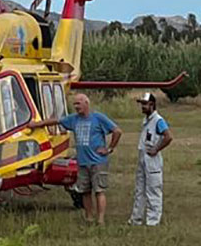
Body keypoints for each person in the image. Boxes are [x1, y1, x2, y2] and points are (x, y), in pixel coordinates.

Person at [27, 93, 122, 225]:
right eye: (75, 104)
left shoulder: (98, 118)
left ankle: (100, 220)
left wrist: (109, 149)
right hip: (82, 162)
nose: (76, 107)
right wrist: (36, 124)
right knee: (84, 191)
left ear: (86, 103)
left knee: (99, 190)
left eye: (78, 104)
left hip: (98, 162)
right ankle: (89, 217)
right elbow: (56, 121)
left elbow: (117, 131)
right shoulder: (73, 119)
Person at [130, 92, 173, 226]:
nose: (142, 107)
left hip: (152, 159)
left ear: (152, 105)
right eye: (141, 104)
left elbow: (168, 136)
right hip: (143, 156)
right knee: (140, 189)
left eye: (145, 104)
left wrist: (156, 149)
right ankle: (136, 219)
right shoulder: (146, 120)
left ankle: (153, 221)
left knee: (153, 190)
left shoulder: (158, 120)